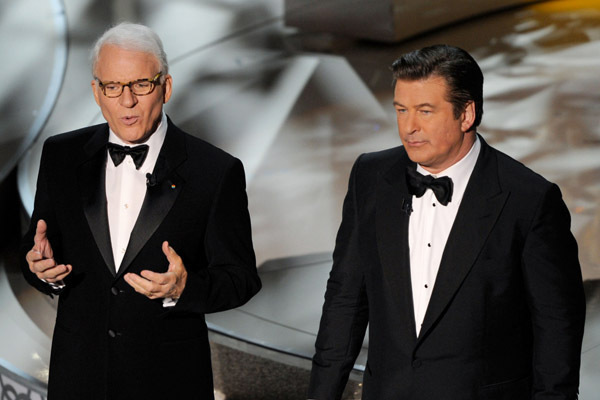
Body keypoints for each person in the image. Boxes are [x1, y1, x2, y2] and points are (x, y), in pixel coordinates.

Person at [308, 44, 586, 400]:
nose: (409, 127)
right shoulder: (370, 177)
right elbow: (345, 300)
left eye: (425, 111)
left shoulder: (529, 199)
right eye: (401, 110)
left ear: (466, 113)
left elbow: (556, 325)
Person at [21, 22, 261, 400]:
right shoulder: (60, 156)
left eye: (140, 85)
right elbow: (36, 250)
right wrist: (41, 270)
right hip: (79, 377)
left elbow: (242, 278)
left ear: (165, 86)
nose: (127, 101)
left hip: (168, 381)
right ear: (96, 92)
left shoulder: (214, 171)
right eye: (112, 87)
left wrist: (184, 288)